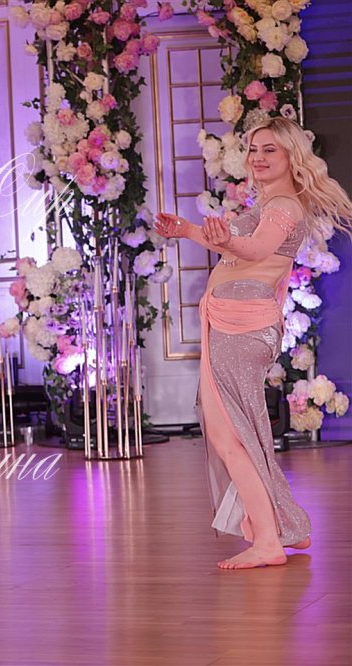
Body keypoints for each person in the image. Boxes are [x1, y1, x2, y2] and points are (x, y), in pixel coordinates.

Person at [155, 117, 352, 569]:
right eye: (253, 149)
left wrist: (230, 239)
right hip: (234, 324)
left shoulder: (283, 205)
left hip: (241, 327)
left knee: (231, 437)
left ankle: (267, 540)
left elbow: (257, 250)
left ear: (291, 156)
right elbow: (238, 247)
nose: (258, 158)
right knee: (237, 434)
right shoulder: (270, 202)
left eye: (270, 150)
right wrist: (187, 230)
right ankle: (284, 525)